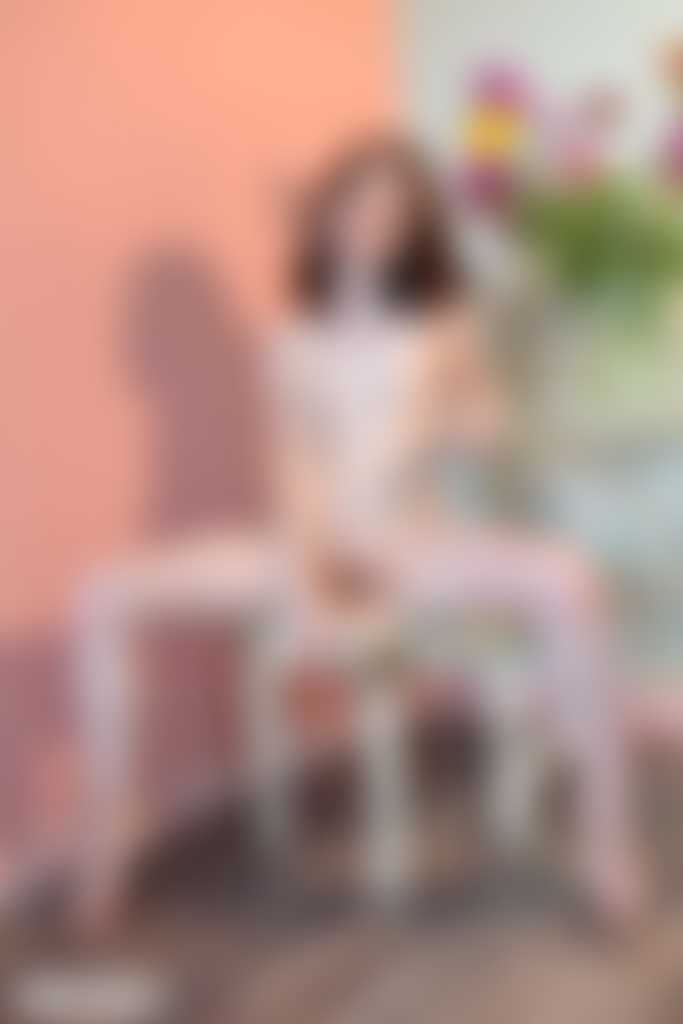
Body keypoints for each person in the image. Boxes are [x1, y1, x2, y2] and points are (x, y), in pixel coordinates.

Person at [77, 136, 641, 935]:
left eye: (393, 213)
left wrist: (464, 414)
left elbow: (485, 427)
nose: (371, 224)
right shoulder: (287, 341)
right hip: (306, 542)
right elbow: (290, 469)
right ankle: (103, 848)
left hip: (411, 541)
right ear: (326, 214)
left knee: (571, 580)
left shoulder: (442, 326)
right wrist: (310, 569)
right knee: (102, 591)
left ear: (413, 232)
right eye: (357, 204)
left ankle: (606, 846)